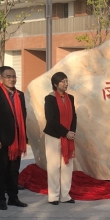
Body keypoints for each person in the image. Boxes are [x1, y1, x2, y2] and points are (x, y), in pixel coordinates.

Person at [0, 66, 28, 210]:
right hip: (3, 139)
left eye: (14, 76)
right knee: (1, 170)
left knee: (14, 171)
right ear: (1, 78)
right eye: (8, 76)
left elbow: (23, 116)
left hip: (17, 138)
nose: (12, 79)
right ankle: (1, 199)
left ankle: (13, 197)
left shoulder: (20, 95)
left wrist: (24, 136)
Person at [44, 72, 78, 205]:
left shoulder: (70, 98)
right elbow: (51, 120)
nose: (66, 84)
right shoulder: (50, 98)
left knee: (67, 166)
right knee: (54, 166)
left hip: (68, 136)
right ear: (55, 84)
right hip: (54, 136)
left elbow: (74, 116)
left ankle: (65, 195)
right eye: (63, 81)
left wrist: (72, 131)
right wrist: (65, 132)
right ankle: (53, 196)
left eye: (66, 81)